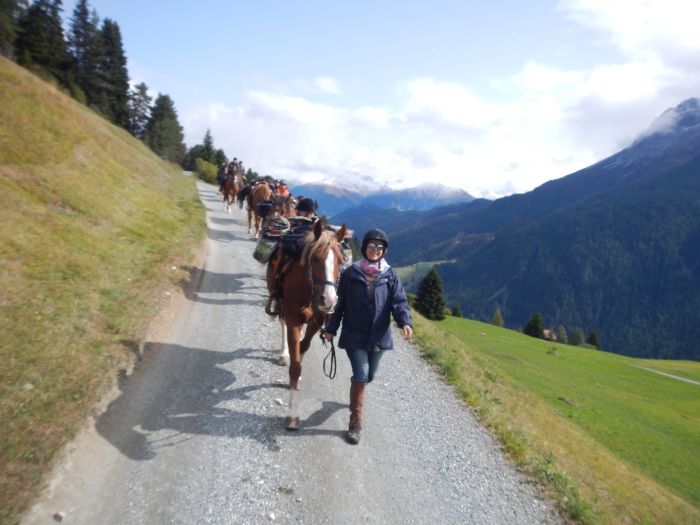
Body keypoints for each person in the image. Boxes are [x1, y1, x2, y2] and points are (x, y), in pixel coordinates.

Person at [322, 228, 413, 444]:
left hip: (379, 336)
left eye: (379, 247)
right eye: (372, 246)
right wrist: (331, 328)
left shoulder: (389, 275)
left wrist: (405, 322)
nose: (375, 250)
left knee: (370, 375)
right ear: (364, 248)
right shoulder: (350, 273)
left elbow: (399, 302)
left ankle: (356, 397)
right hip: (354, 333)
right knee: (361, 374)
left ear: (384, 251)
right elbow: (340, 303)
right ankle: (355, 422)